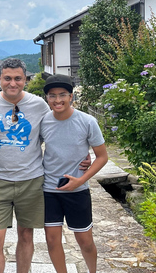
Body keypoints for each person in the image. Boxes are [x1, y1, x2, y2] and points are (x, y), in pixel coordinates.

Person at [0, 58, 50, 273]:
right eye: (7, 78)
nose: (13, 83)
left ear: (25, 79)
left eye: (18, 78)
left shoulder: (39, 105)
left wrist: (79, 156)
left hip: (32, 179)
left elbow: (54, 133)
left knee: (26, 235)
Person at [40, 74, 108, 273]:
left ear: (71, 96)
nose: (57, 100)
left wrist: (80, 181)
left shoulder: (87, 121)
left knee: (85, 240)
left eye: (62, 95)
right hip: (49, 189)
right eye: (52, 95)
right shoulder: (43, 121)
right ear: (47, 98)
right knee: (52, 241)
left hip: (78, 190)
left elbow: (102, 156)